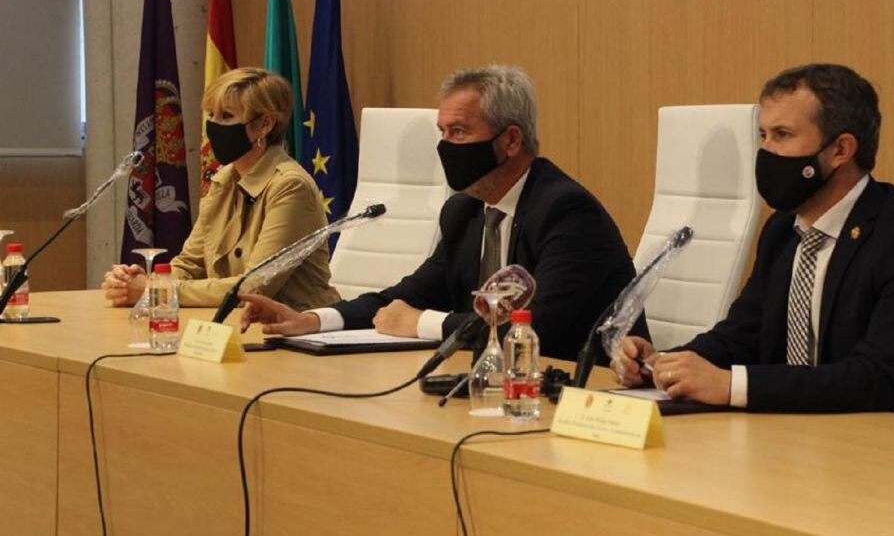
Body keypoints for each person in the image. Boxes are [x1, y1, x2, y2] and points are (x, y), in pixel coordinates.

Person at [615, 63, 894, 429]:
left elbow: (877, 378)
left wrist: (730, 386)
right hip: (809, 442)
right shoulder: (783, 230)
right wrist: (667, 364)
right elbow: (742, 334)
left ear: (840, 150)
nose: (766, 151)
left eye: (782, 135)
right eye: (762, 136)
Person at [240, 65, 639, 361]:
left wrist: (422, 323)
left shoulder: (566, 212)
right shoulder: (464, 211)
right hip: (495, 382)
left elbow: (534, 328)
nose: (445, 146)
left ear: (511, 140)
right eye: (442, 132)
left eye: (460, 132)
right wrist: (312, 320)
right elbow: (404, 296)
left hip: (577, 388)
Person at [101, 67, 340, 311]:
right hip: (238, 326)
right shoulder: (224, 180)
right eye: (211, 115)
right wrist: (145, 282)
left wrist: (159, 291)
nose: (213, 127)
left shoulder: (290, 187)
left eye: (226, 116)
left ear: (265, 124)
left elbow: (253, 288)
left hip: (298, 328)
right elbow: (190, 264)